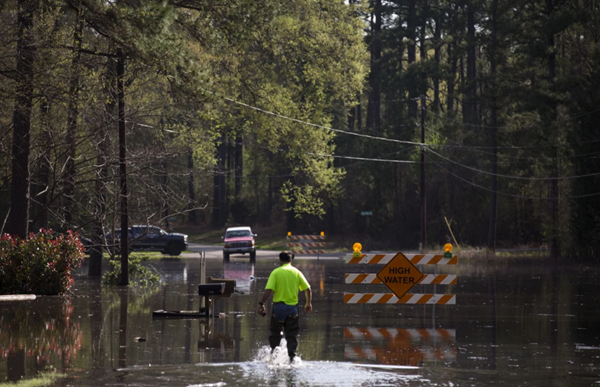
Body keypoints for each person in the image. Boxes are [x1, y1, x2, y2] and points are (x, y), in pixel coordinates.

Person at [257, 251, 312, 362]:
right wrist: (308, 303)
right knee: (291, 335)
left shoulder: (276, 272)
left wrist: (261, 303)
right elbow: (308, 289)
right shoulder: (297, 272)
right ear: (291, 260)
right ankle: (292, 358)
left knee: (275, 334)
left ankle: (273, 356)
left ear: (280, 261)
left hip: (278, 309)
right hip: (292, 310)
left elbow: (268, 290)